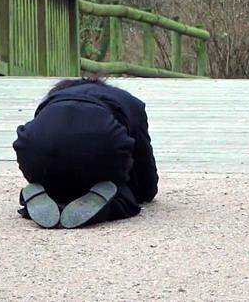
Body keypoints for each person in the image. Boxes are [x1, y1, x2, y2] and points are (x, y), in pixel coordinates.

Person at [13, 76, 159, 229]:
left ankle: (43, 195)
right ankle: (109, 205)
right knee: (125, 196)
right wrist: (140, 190)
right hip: (102, 142)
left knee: (56, 175)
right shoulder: (128, 101)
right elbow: (145, 173)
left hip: (34, 148)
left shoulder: (53, 98)